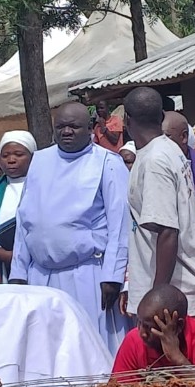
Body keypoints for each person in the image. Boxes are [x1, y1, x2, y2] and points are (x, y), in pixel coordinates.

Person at [10, 101, 130, 353]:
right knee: (46, 347)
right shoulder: (40, 160)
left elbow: (120, 223)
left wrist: (113, 276)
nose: (66, 132)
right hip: (40, 275)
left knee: (88, 347)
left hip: (87, 274)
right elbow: (25, 219)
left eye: (74, 127)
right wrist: (18, 272)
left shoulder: (108, 162)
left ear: (90, 129)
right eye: (61, 127)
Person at [123, 89, 195, 321]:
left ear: (127, 120)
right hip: (182, 291)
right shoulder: (169, 148)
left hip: (174, 299)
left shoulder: (155, 161)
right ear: (161, 115)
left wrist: (156, 298)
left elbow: (167, 231)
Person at [112, 284, 195, 384]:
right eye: (139, 323)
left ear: (178, 326)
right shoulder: (134, 340)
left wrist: (178, 358)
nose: (142, 333)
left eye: (149, 327)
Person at [0, 130, 36, 284]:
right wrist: (1, 253)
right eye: (5, 156)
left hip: (36, 262)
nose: (11, 160)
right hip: (0, 263)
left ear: (32, 157)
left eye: (19, 154)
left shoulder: (44, 187)